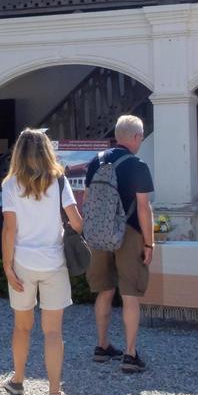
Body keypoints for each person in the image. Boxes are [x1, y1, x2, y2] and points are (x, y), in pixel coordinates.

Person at [0, 128, 84, 395]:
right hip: (54, 261)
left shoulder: (11, 184)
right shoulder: (58, 181)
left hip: (22, 262)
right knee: (53, 332)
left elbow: (9, 229)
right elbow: (77, 222)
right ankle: (55, 392)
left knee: (22, 327)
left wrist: (7, 266)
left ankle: (18, 379)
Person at [83, 115, 155, 374]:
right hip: (129, 233)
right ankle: (130, 354)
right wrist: (149, 243)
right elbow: (144, 208)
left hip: (99, 233)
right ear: (135, 137)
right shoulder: (137, 165)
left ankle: (102, 347)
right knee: (130, 294)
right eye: (142, 136)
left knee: (104, 290)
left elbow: (88, 200)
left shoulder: (96, 161)